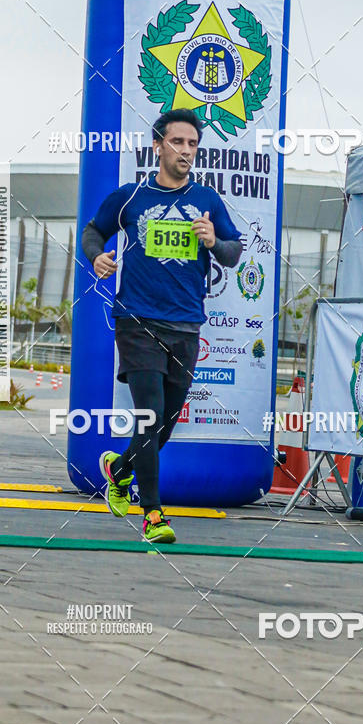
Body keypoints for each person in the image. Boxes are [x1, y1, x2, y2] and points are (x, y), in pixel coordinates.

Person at [82, 108, 243, 543]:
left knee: (164, 426)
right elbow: (93, 231)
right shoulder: (131, 197)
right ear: (158, 146)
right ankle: (153, 515)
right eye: (177, 142)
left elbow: (233, 253)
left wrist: (214, 241)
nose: (186, 151)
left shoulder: (207, 200)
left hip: (186, 326)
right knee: (150, 416)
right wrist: (97, 257)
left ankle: (119, 470)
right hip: (136, 320)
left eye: (193, 144)